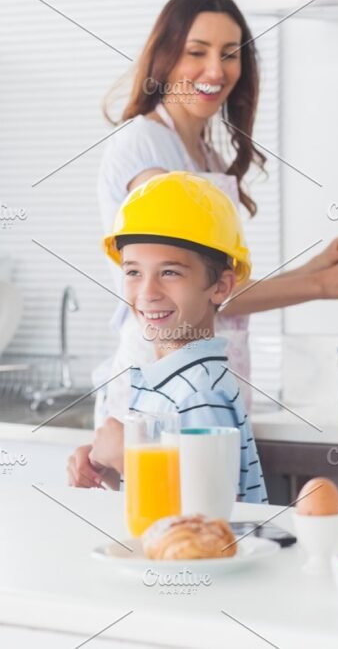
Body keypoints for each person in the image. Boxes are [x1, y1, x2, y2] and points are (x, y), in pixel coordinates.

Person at [69, 0, 338, 487]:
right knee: (178, 520)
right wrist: (324, 286)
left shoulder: (205, 154)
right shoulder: (144, 145)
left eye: (229, 54)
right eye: (196, 52)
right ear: (165, 56)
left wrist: (317, 267)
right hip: (159, 375)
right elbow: (188, 286)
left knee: (211, 516)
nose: (216, 71)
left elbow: (216, 279)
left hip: (200, 370)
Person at [71, 171, 266, 502]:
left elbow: (206, 511)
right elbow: (168, 490)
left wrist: (129, 460)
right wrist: (113, 470)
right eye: (133, 272)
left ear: (221, 287)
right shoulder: (168, 382)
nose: (147, 292)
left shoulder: (199, 394)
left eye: (170, 272)